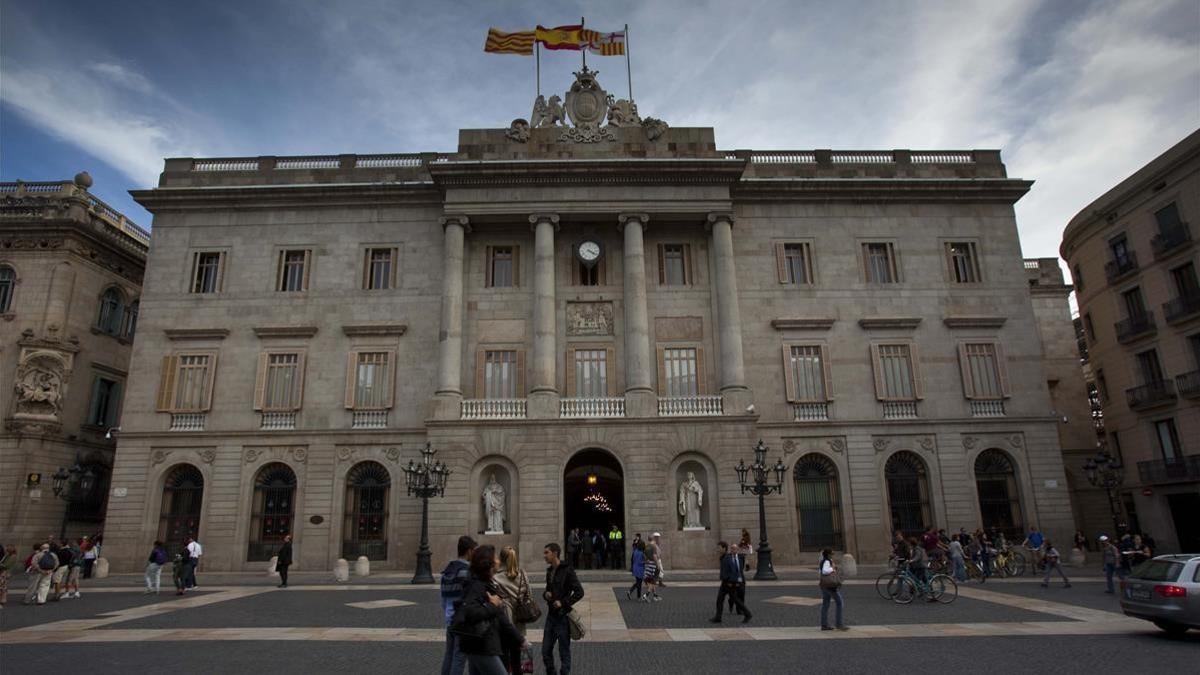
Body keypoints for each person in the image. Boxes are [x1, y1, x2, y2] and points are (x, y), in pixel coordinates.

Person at [456, 545, 529, 675]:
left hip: (480, 643)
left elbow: (501, 617)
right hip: (481, 644)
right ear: (488, 562)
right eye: (495, 557)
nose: (498, 560)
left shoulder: (486, 583)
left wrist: (519, 639)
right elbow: (471, 612)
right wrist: (492, 606)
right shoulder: (477, 585)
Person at [542, 542, 583, 675]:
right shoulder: (549, 571)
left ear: (555, 553)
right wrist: (546, 594)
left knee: (564, 652)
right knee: (545, 650)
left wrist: (563, 603)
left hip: (563, 617)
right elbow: (548, 590)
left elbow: (579, 592)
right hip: (551, 617)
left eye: (546, 553)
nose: (544, 556)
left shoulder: (567, 570)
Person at [440, 535, 477, 675]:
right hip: (462, 622)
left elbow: (443, 599)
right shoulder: (467, 572)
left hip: (450, 620)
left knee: (448, 655)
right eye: (473, 550)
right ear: (469, 551)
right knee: (459, 658)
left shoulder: (447, 571)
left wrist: (448, 614)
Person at [494, 546, 533, 675]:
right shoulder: (522, 574)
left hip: (504, 625)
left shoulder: (495, 578)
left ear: (501, 559)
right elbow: (529, 596)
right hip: (519, 624)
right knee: (517, 661)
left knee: (504, 659)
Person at [709, 541, 752, 624]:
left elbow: (734, 570)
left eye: (719, 548)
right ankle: (718, 617)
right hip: (727, 582)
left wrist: (731, 581)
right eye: (732, 549)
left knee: (732, 599)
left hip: (728, 583)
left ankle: (747, 614)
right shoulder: (724, 557)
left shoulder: (728, 557)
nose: (717, 550)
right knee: (722, 599)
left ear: (724, 548)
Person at [817, 548, 848, 631]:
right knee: (839, 603)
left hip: (824, 584)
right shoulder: (827, 561)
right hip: (830, 586)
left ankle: (824, 625)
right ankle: (839, 624)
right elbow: (824, 571)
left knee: (825, 604)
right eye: (832, 553)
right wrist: (833, 569)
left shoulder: (822, 561)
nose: (833, 555)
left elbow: (820, 572)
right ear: (828, 554)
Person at [642, 532, 662, 602]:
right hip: (654, 565)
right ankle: (646, 595)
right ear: (653, 539)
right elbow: (655, 556)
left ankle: (655, 595)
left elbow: (644, 555)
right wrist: (658, 565)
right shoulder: (653, 546)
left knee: (651, 580)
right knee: (653, 581)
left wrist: (647, 561)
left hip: (648, 565)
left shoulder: (646, 546)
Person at [0, 543, 12, 607]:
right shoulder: (7, 556)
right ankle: (2, 600)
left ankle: (2, 600)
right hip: (3, 572)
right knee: (3, 587)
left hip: (2, 572)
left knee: (2, 587)